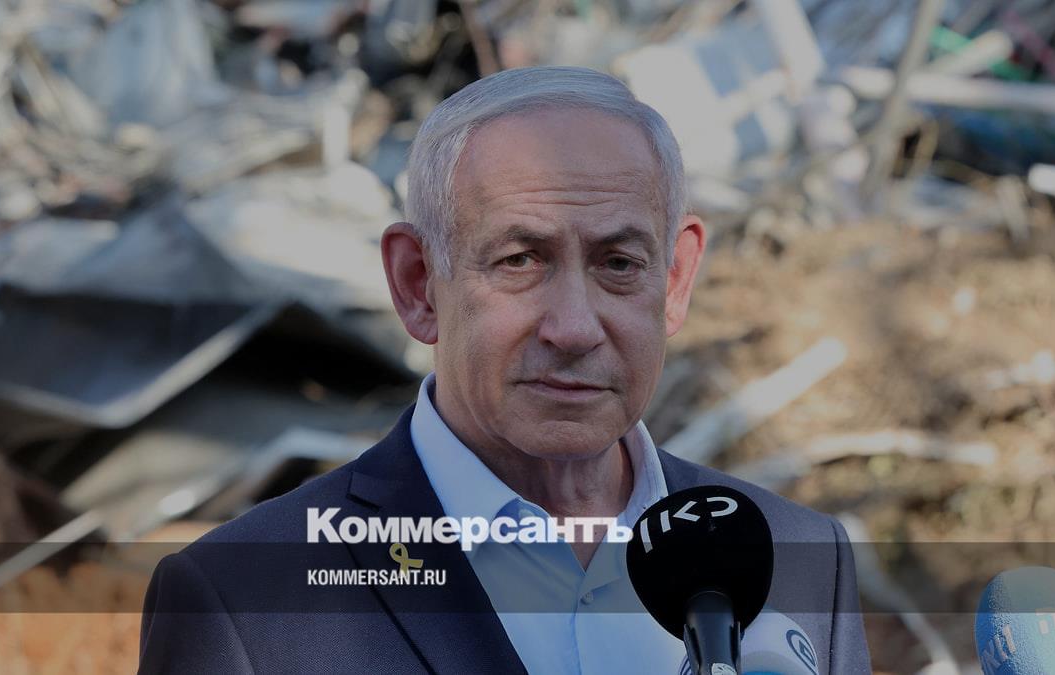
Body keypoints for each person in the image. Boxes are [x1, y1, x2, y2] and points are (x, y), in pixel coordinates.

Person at [139, 66, 871, 674]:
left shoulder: (803, 563)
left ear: (675, 280)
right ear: (419, 284)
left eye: (619, 263)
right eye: (520, 260)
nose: (574, 328)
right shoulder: (243, 602)